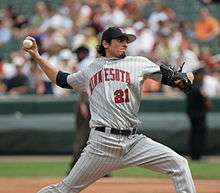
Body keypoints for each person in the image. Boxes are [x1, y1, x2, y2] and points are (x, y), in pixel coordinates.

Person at [23, 26, 196, 193]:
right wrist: (37, 56)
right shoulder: (91, 69)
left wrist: (183, 79)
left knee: (179, 164)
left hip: (133, 142)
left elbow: (171, 78)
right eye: (120, 40)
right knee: (65, 189)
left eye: (126, 41)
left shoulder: (138, 63)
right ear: (106, 44)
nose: (125, 44)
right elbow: (61, 79)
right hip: (102, 144)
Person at [186, 67, 212, 160]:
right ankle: (197, 155)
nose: (203, 77)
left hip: (192, 114)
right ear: (197, 76)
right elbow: (207, 103)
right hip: (199, 114)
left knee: (194, 134)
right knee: (199, 134)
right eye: (201, 75)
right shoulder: (197, 88)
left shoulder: (190, 86)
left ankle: (193, 154)